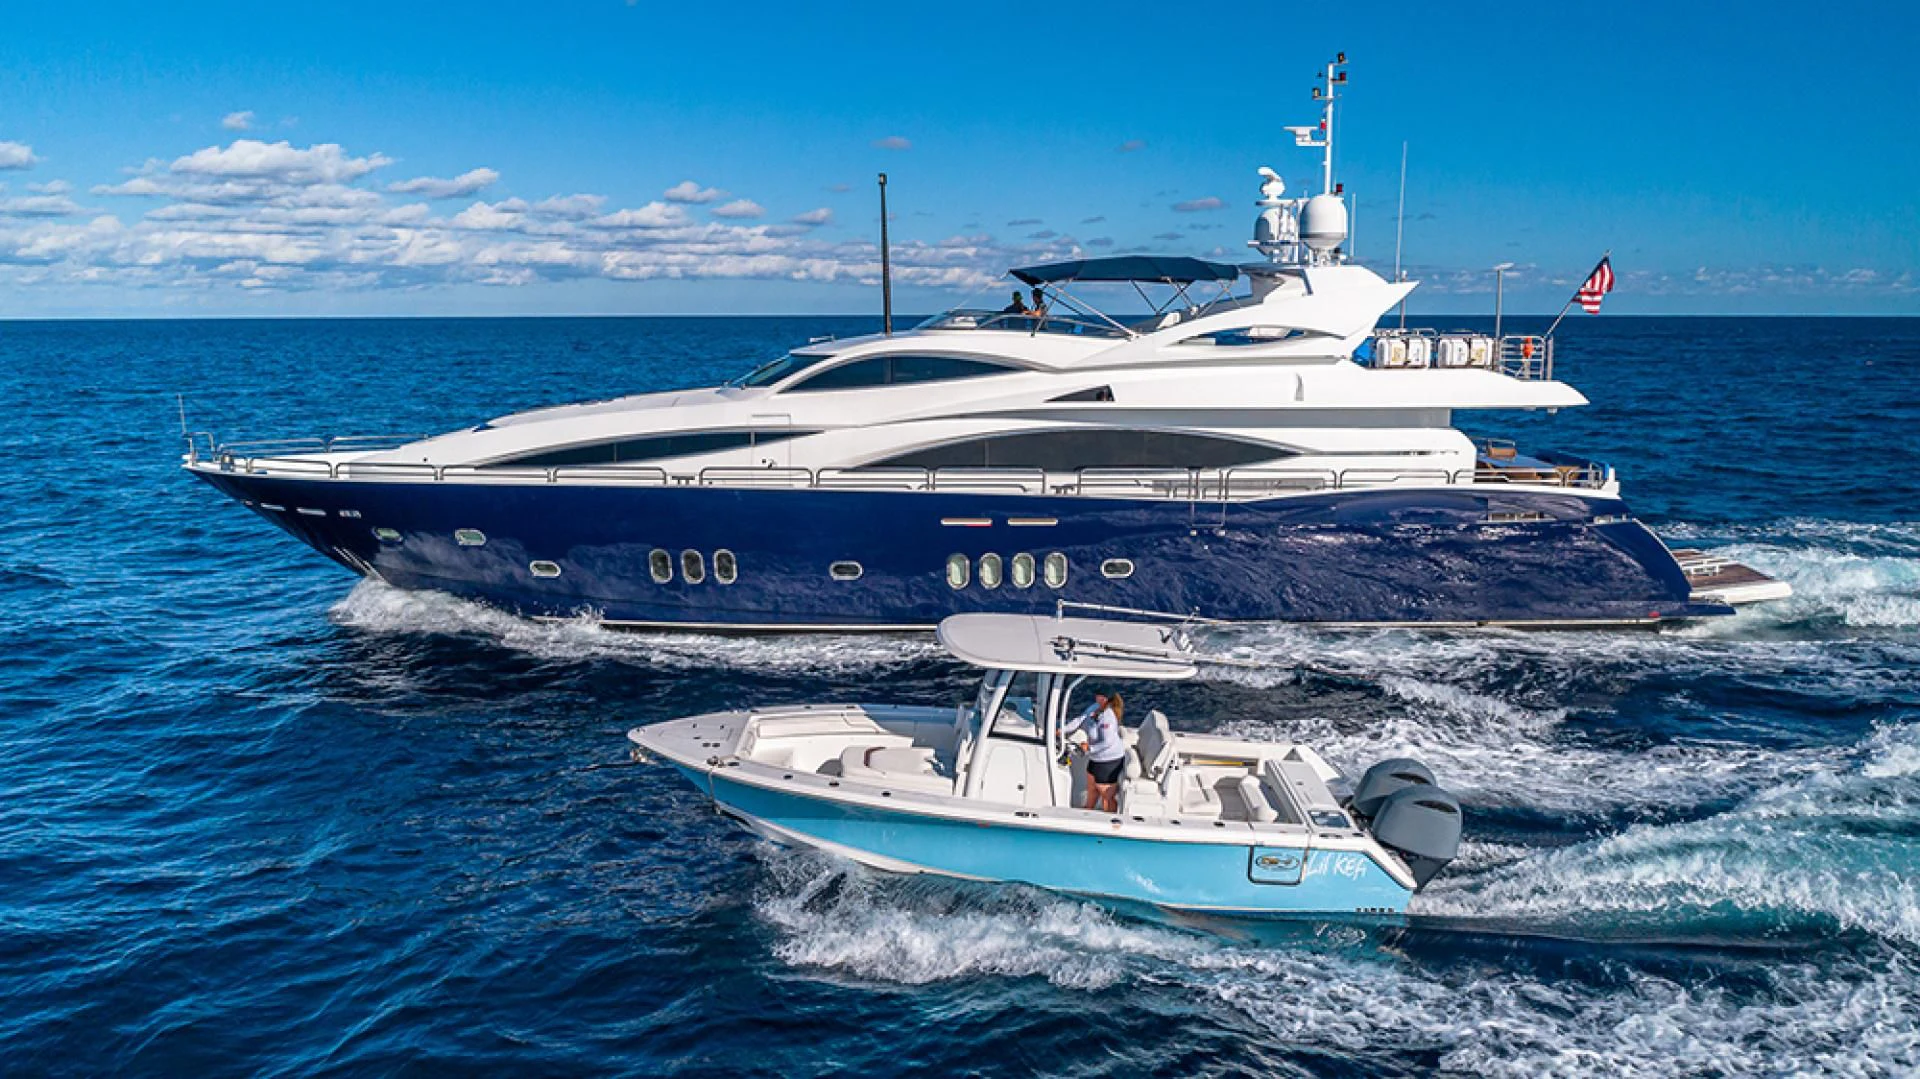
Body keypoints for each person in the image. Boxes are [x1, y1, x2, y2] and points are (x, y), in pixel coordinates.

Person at [1062, 691, 1127, 813]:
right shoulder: (1095, 707)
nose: (1097, 697)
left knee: (1106, 795)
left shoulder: (1108, 717)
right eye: (1097, 694)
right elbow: (1080, 720)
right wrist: (1062, 730)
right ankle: (1087, 813)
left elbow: (1107, 742)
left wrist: (1089, 749)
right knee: (1092, 788)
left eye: (1101, 695)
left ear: (1107, 699)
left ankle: (1110, 820)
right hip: (1095, 758)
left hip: (1109, 761)